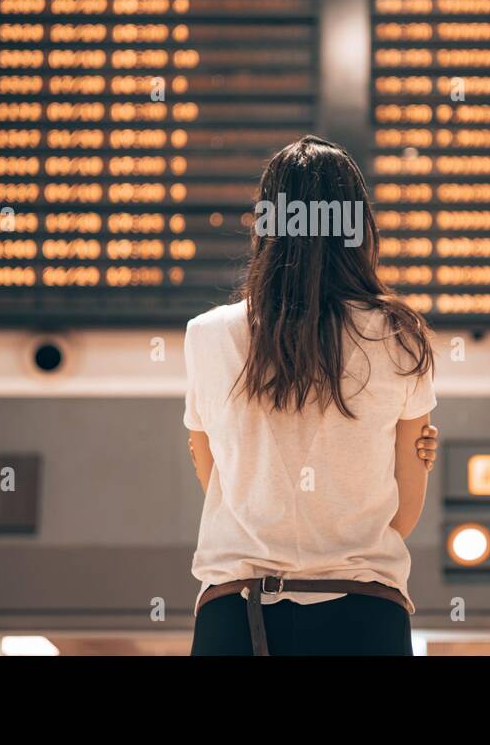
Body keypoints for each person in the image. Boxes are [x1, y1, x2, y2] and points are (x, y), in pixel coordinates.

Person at [184, 135, 438, 655]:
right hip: (365, 613)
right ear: (358, 225)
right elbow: (404, 513)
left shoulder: (208, 335)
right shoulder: (399, 335)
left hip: (237, 614)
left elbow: (217, 477)